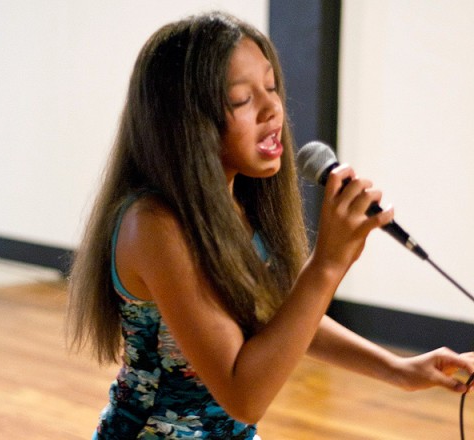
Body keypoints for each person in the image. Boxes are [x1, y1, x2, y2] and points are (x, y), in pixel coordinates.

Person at [67, 11, 474, 440]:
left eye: (272, 87)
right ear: (187, 122)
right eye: (243, 99)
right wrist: (327, 267)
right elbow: (243, 395)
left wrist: (399, 370)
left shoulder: (236, 206)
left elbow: (279, 317)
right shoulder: (153, 226)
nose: (272, 108)